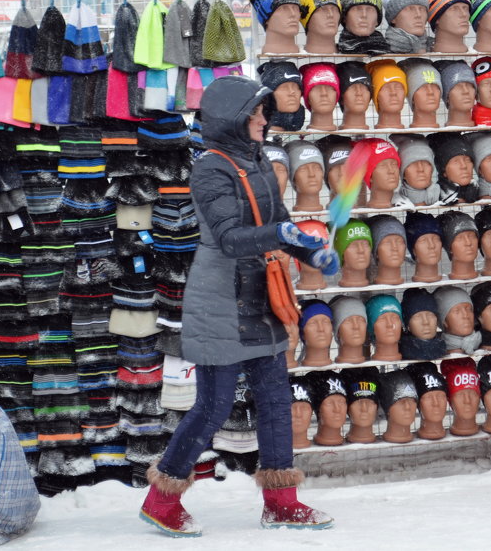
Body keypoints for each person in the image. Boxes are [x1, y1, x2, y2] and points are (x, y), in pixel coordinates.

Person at [138, 75, 341, 537]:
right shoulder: (211, 168)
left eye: (263, 112)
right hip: (221, 298)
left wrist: (311, 253)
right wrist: (281, 237)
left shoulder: (259, 161)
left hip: (261, 294)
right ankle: (161, 499)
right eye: (255, 113)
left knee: (274, 401)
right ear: (232, 118)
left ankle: (282, 504)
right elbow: (229, 239)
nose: (263, 119)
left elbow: (279, 223)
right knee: (214, 405)